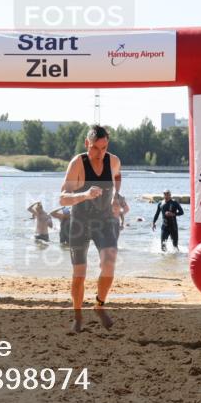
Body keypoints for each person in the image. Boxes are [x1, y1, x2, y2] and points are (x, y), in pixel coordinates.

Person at [59, 125, 121, 333]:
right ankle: (77, 316)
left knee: (109, 264)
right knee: (79, 275)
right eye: (95, 148)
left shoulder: (113, 161)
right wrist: (84, 195)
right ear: (87, 144)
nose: (99, 153)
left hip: (104, 222)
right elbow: (63, 197)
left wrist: (117, 197)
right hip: (80, 223)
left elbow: (118, 176)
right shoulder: (78, 163)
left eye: (103, 148)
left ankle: (99, 305)